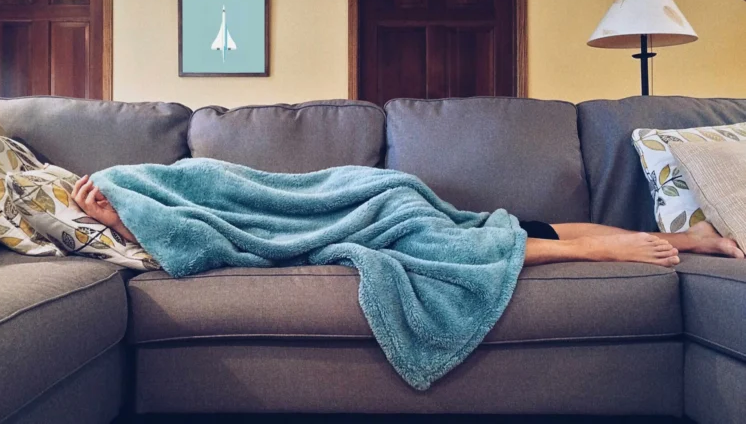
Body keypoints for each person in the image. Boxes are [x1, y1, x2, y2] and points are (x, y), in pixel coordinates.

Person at [71, 174, 745, 269]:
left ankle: (608, 251)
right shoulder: (145, 193)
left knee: (449, 243)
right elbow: (206, 234)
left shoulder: (153, 180)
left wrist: (125, 214)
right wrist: (126, 220)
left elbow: (208, 223)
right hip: (384, 197)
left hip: (378, 198)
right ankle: (692, 238)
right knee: (503, 225)